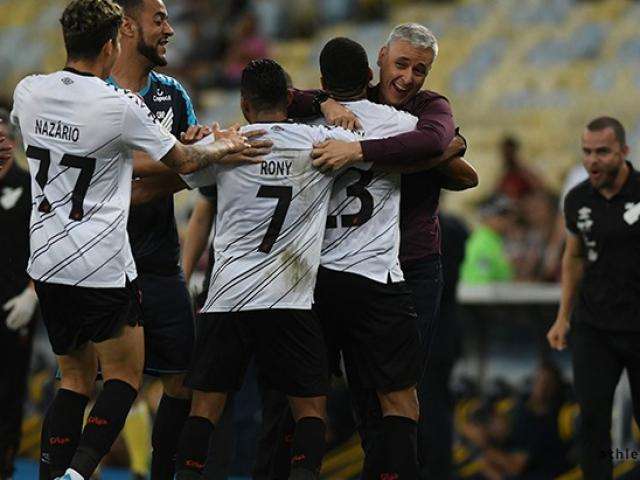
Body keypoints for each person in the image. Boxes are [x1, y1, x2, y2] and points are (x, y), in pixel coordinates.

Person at [10, 1, 251, 478]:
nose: (167, 29)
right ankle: (79, 472)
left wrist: (183, 156)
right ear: (116, 36)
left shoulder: (28, 90)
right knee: (123, 379)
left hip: (68, 260)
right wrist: (219, 149)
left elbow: (67, 154)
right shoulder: (118, 106)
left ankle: (61, 474)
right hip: (107, 261)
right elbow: (179, 164)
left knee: (87, 381)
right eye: (158, 19)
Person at [288, 23, 476, 479]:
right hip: (356, 267)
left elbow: (437, 146)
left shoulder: (430, 108)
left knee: (405, 386)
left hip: (412, 265)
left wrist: (357, 151)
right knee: (364, 389)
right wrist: (325, 102)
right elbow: (291, 96)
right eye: (402, 64)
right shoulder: (356, 101)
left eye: (420, 70)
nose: (409, 77)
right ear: (380, 58)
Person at [167, 59, 362, 480]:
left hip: (229, 297)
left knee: (206, 406)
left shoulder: (230, 145)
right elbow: (363, 139)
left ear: (244, 104)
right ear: (290, 100)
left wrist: (201, 140)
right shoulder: (320, 142)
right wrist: (329, 105)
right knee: (310, 407)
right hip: (289, 297)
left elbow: (179, 171)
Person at [547, 116, 640, 479]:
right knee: (592, 419)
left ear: (624, 151)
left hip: (637, 324)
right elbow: (573, 256)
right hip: (593, 327)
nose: (592, 160)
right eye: (587, 152)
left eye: (602, 152)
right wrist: (562, 317)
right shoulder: (578, 198)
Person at [0, 109, 39, 479]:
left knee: (11, 385)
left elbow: (45, 244)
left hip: (15, 304)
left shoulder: (30, 186)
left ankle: (6, 461)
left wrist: (32, 294)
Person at [460, 197, 515, 284]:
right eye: (501, 216)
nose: (507, 221)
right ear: (488, 217)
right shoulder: (482, 242)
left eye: (508, 216)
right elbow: (480, 281)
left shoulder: (494, 240)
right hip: (479, 295)